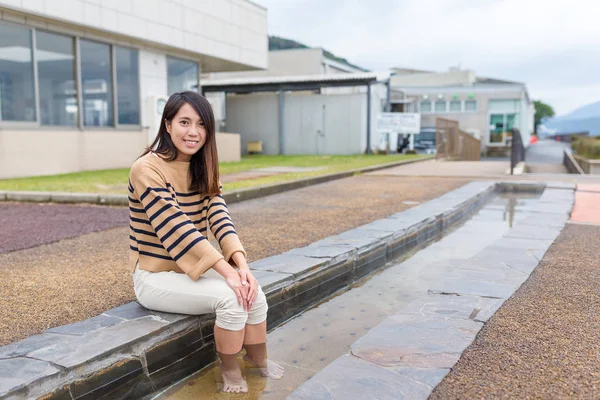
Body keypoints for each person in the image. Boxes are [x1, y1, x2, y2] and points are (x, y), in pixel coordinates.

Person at [128, 91, 284, 393]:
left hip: (192, 268)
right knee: (232, 301)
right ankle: (229, 370)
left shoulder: (204, 166)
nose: (193, 132)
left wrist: (242, 267)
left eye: (201, 124)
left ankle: (257, 360)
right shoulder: (146, 168)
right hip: (154, 275)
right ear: (168, 124)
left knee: (255, 294)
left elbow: (220, 217)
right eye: (184, 122)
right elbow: (176, 227)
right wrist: (228, 274)